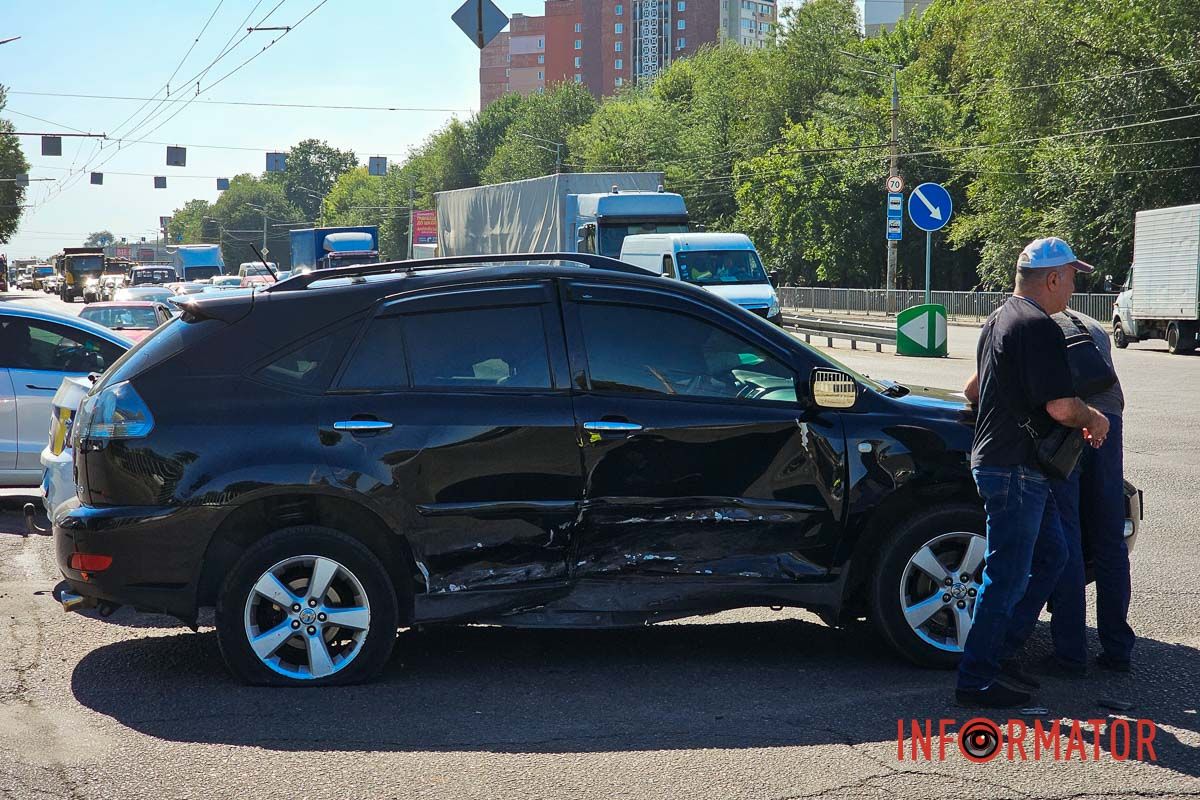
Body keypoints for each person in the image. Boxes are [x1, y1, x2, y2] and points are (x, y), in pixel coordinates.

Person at [956, 237, 1110, 709]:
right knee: (1006, 575)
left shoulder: (998, 319)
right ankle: (977, 678)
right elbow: (1062, 407)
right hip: (1017, 469)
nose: (1073, 287)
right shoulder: (1041, 327)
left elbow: (970, 390)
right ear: (1052, 278)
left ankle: (1000, 654)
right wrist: (1094, 418)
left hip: (1001, 463)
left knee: (1052, 556)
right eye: (1072, 277)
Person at [1044, 310, 1134, 674]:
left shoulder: (1026, 319)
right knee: (1109, 538)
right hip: (1109, 422)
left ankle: (1069, 653)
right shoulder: (1091, 324)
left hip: (1068, 425)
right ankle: (1118, 650)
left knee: (1067, 534)